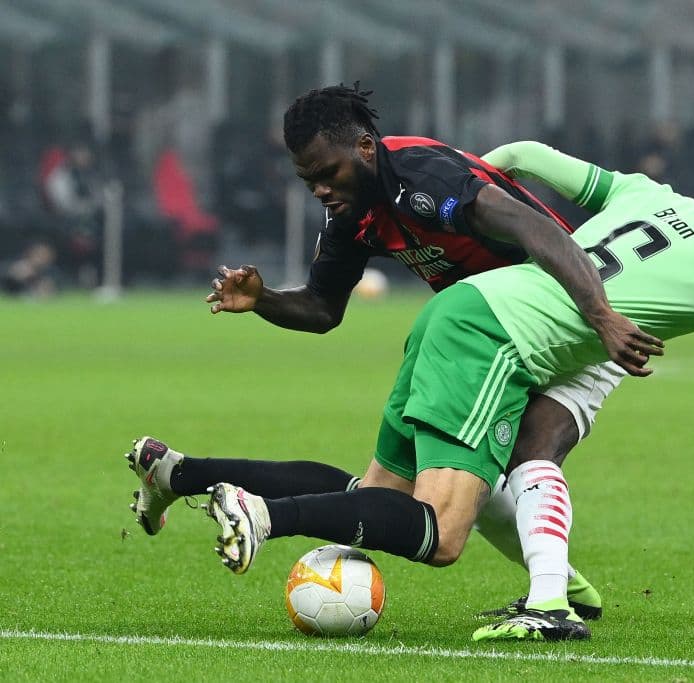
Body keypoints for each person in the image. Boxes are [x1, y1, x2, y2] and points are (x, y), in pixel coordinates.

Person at [126, 142, 694, 643]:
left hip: (456, 311)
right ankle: (263, 515)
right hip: (502, 339)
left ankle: (181, 472)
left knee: (372, 494)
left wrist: (464, 177)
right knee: (441, 530)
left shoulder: (656, 197)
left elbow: (524, 159)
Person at [126, 83, 657, 633]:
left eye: (326, 172)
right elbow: (323, 308)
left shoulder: (423, 177)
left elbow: (535, 226)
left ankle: (186, 476)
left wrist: (600, 315)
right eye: (308, 180)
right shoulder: (353, 215)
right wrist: (263, 301)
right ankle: (235, 501)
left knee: (416, 493)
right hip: (478, 339)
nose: (319, 189)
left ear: (363, 147)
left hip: (546, 325)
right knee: (437, 520)